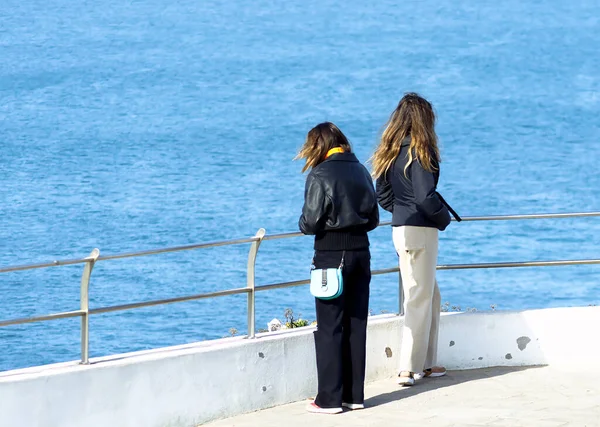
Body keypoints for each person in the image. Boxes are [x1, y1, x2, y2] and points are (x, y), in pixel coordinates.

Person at [371, 93, 458, 386]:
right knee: (419, 297)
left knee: (430, 294)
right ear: (425, 119)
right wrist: (442, 218)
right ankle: (408, 368)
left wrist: (402, 211)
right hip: (421, 230)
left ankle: (428, 362)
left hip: (401, 229)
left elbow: (382, 193)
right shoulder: (422, 151)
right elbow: (425, 196)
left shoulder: (390, 150)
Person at [297, 122, 379, 414]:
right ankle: (354, 396)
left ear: (318, 145)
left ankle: (329, 399)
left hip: (330, 256)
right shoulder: (361, 170)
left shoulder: (320, 174)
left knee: (330, 326)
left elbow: (309, 222)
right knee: (357, 323)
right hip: (361, 252)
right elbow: (373, 219)